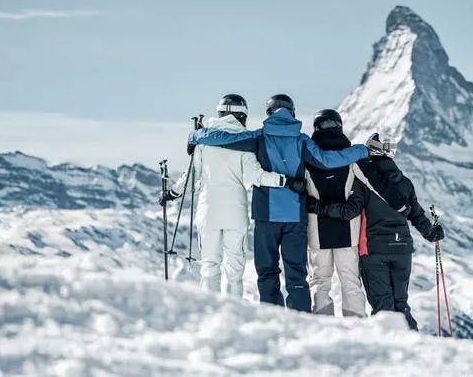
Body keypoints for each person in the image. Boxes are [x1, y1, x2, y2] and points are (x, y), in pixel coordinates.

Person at [188, 94, 369, 312]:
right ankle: (300, 321)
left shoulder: (259, 137)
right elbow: (328, 161)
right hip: (295, 218)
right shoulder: (302, 140)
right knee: (296, 276)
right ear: (292, 112)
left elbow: (223, 139)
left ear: (269, 113)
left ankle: (271, 319)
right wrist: (363, 149)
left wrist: (197, 134)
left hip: (266, 217)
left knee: (267, 273)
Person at [159, 94, 304, 297]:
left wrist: (172, 193)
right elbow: (257, 176)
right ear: (242, 116)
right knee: (234, 270)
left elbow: (190, 177)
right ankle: (235, 313)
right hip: (236, 213)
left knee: (209, 266)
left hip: (208, 212)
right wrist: (285, 181)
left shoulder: (204, 141)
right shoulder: (245, 144)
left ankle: (211, 310)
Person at [307, 133, 445, 329]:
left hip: (374, 250)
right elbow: (416, 214)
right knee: (401, 304)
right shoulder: (404, 183)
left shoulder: (363, 180)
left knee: (383, 308)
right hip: (402, 249)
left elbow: (350, 211)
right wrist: (432, 233)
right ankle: (412, 344)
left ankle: (389, 352)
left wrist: (316, 206)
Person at [304, 109, 366, 317]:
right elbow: (361, 194)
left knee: (320, 281)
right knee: (350, 280)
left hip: (317, 232)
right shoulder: (352, 160)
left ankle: (323, 326)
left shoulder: (308, 161)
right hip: (347, 231)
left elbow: (301, 197)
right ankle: (356, 326)